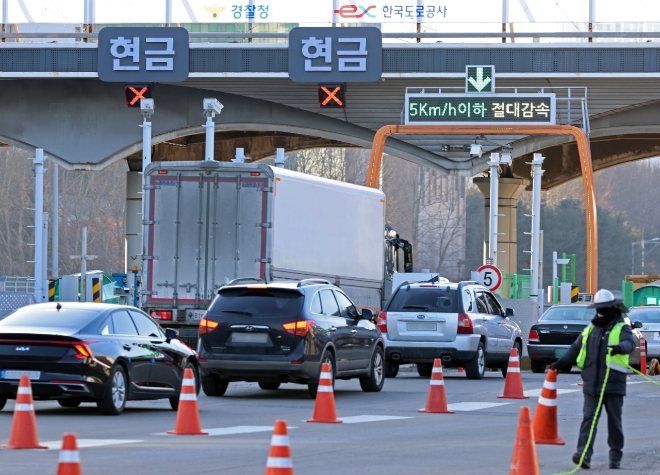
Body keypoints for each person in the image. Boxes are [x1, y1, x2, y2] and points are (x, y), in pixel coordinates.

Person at [550, 289, 635, 470]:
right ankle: (583, 455)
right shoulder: (591, 329)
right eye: (598, 308)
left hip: (613, 385)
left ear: (613, 307)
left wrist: (619, 348)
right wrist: (559, 364)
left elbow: (630, 344)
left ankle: (615, 458)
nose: (601, 311)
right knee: (588, 419)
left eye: (604, 308)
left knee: (615, 423)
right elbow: (574, 349)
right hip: (592, 384)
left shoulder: (622, 327)